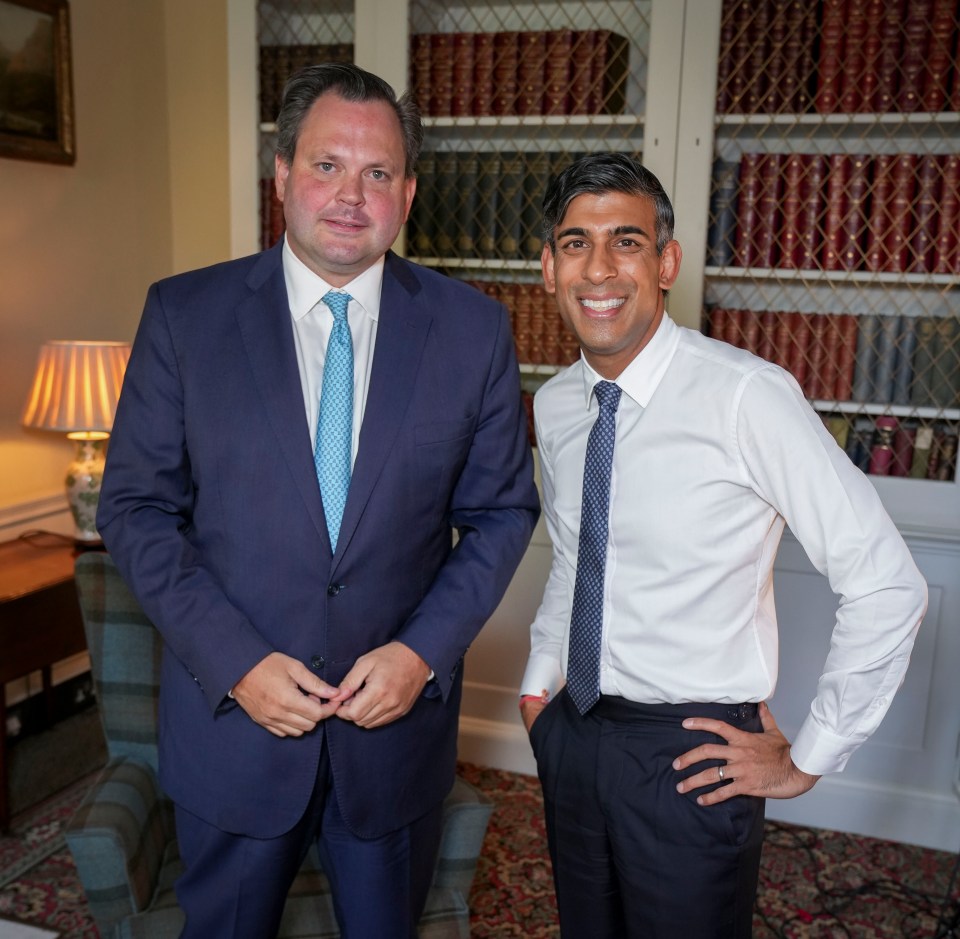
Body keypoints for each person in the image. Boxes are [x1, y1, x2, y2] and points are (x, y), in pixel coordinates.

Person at [97, 62, 539, 939]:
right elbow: (136, 509)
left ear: (408, 194)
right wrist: (238, 663)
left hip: (392, 743)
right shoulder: (184, 317)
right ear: (283, 176)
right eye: (327, 165)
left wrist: (420, 653)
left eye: (378, 172)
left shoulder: (471, 329)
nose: (351, 193)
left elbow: (501, 515)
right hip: (236, 736)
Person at [519, 151, 927, 938]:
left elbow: (886, 582)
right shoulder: (560, 403)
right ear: (548, 267)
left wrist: (809, 755)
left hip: (692, 757)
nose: (599, 267)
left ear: (666, 261)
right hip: (573, 735)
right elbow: (576, 555)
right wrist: (541, 690)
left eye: (626, 241)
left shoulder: (747, 395)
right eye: (576, 243)